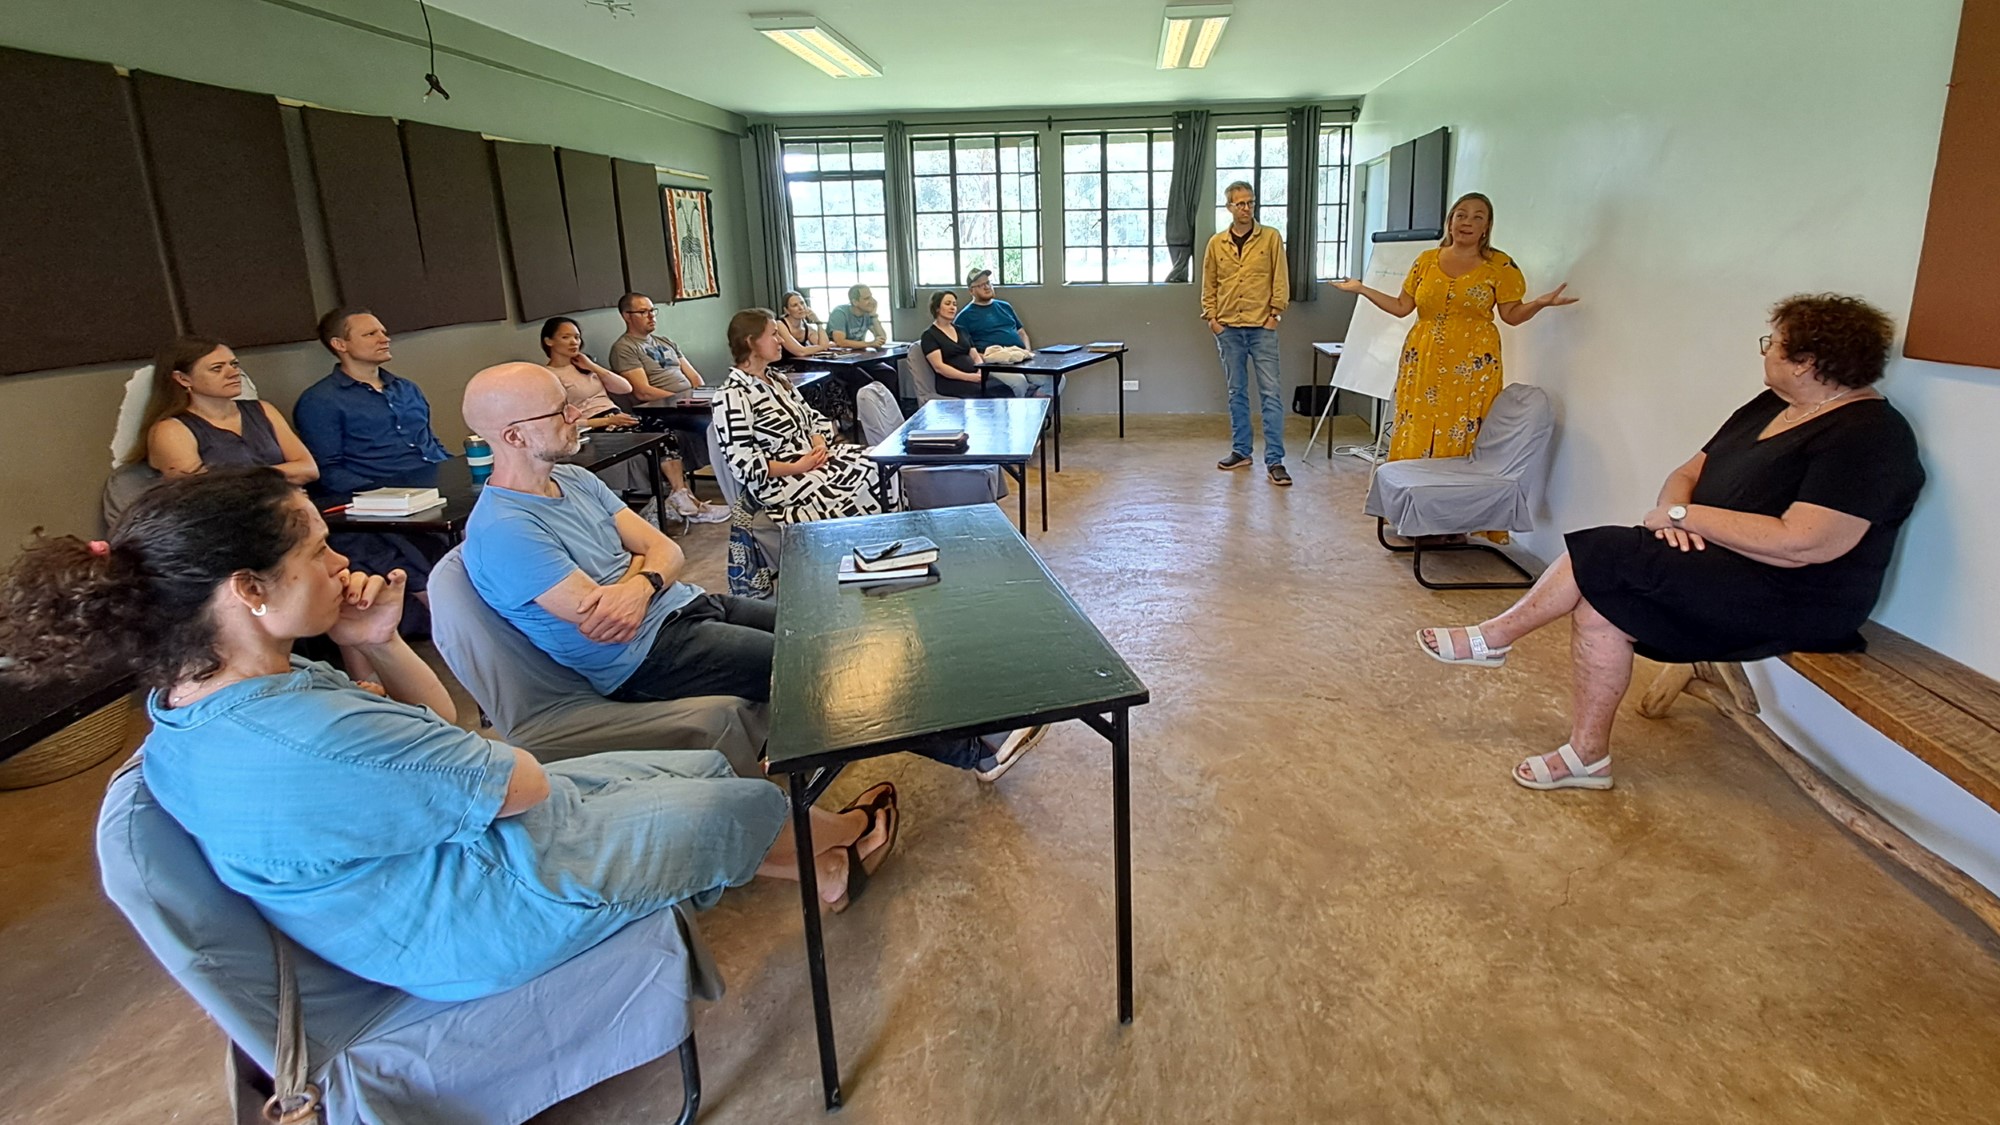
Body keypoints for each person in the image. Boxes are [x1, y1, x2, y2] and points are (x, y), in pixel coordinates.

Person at [0, 470, 903, 1002]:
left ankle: (813, 863)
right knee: (733, 797)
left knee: (695, 760)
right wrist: (425, 713)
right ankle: (837, 846)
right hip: (464, 921)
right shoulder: (308, 734)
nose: (343, 561)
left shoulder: (215, 692)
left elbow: (434, 743)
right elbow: (517, 781)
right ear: (248, 588)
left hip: (419, 867)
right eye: (318, 550)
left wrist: (379, 643)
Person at [1417, 295, 1924, 792]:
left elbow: (1804, 544)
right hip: (1726, 564)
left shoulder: (1870, 437)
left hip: (1796, 593)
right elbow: (1688, 470)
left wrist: (1686, 516)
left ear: (1808, 363)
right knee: (1599, 607)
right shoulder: (1775, 404)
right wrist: (1674, 521)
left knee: (1610, 551)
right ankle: (1587, 757)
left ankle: (1495, 638)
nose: (1765, 350)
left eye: (1775, 343)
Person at [460, 361, 1048, 781]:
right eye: (559, 410)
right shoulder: (506, 530)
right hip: (644, 657)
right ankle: (978, 751)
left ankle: (944, 722)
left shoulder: (577, 480)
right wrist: (646, 571)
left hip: (687, 608)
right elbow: (599, 618)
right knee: (825, 666)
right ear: (513, 435)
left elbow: (668, 550)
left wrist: (642, 577)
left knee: (843, 629)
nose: (575, 415)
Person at [1334, 192, 1578, 463]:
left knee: (1463, 423)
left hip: (1473, 361)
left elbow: (1511, 315)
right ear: (1450, 221)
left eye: (1477, 217)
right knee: (1417, 422)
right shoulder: (1426, 260)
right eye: (1461, 214)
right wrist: (1362, 289)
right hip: (1423, 356)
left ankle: (1453, 493)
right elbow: (1402, 306)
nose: (1467, 221)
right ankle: (1412, 489)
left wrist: (1540, 303)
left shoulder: (1500, 266)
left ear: (1487, 227)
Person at [292, 307, 452, 644]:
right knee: (402, 547)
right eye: (370, 334)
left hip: (430, 491)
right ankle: (448, 625)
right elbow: (328, 470)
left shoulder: (406, 388)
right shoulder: (320, 401)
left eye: (383, 331)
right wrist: (384, 495)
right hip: (374, 499)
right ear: (340, 344)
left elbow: (431, 443)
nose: (384, 338)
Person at [540, 316, 725, 524]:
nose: (574, 342)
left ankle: (682, 497)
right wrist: (603, 422)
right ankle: (684, 500)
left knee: (665, 433)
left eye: (577, 337)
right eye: (566, 337)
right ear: (549, 341)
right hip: (594, 426)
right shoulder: (548, 376)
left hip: (617, 416)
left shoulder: (585, 367)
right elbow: (558, 421)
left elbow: (625, 388)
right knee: (660, 440)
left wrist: (593, 366)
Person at [715, 309, 887, 522]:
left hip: (814, 460)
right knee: (871, 481)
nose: (780, 340)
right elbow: (744, 465)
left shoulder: (777, 380)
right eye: (774, 334)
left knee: (884, 461)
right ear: (751, 342)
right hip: (783, 483)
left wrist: (818, 442)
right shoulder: (732, 395)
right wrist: (798, 466)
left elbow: (814, 419)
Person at [128, 336, 317, 485]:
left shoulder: (263, 409)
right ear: (183, 379)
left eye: (234, 364)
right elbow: (201, 492)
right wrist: (278, 479)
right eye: (217, 368)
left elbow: (308, 469)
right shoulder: (170, 430)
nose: (233, 373)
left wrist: (240, 479)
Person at [1202, 181, 1292, 485]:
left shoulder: (1270, 238)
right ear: (1228, 207)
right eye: (1239, 203)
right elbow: (1209, 284)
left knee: (1271, 394)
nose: (1246, 208)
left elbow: (1280, 279)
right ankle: (1241, 451)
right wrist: (1212, 319)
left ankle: (1275, 460)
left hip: (1261, 328)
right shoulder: (1216, 243)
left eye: (1250, 203)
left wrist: (1274, 315)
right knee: (1236, 393)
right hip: (1228, 329)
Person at [955, 268, 1052, 398]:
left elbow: (1022, 333)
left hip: (1020, 357)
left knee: (1056, 378)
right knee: (1019, 382)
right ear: (971, 291)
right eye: (981, 285)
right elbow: (964, 349)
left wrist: (1027, 352)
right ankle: (1024, 414)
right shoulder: (964, 317)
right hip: (994, 363)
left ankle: (1037, 408)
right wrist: (985, 358)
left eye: (988, 283)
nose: (987, 287)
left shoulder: (1005, 306)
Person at [921, 291, 1015, 399]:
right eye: (947, 304)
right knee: (988, 393)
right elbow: (939, 367)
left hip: (975, 376)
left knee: (1003, 388)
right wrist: (969, 377)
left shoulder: (961, 330)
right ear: (937, 308)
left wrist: (980, 370)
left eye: (954, 304)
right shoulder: (929, 335)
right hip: (952, 381)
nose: (952, 307)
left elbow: (975, 356)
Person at [775, 290, 832, 361]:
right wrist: (822, 347)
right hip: (780, 366)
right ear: (786, 310)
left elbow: (825, 347)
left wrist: (818, 323)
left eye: (802, 303)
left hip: (799, 366)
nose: (801, 308)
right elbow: (800, 352)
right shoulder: (780, 325)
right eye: (795, 305)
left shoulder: (808, 328)